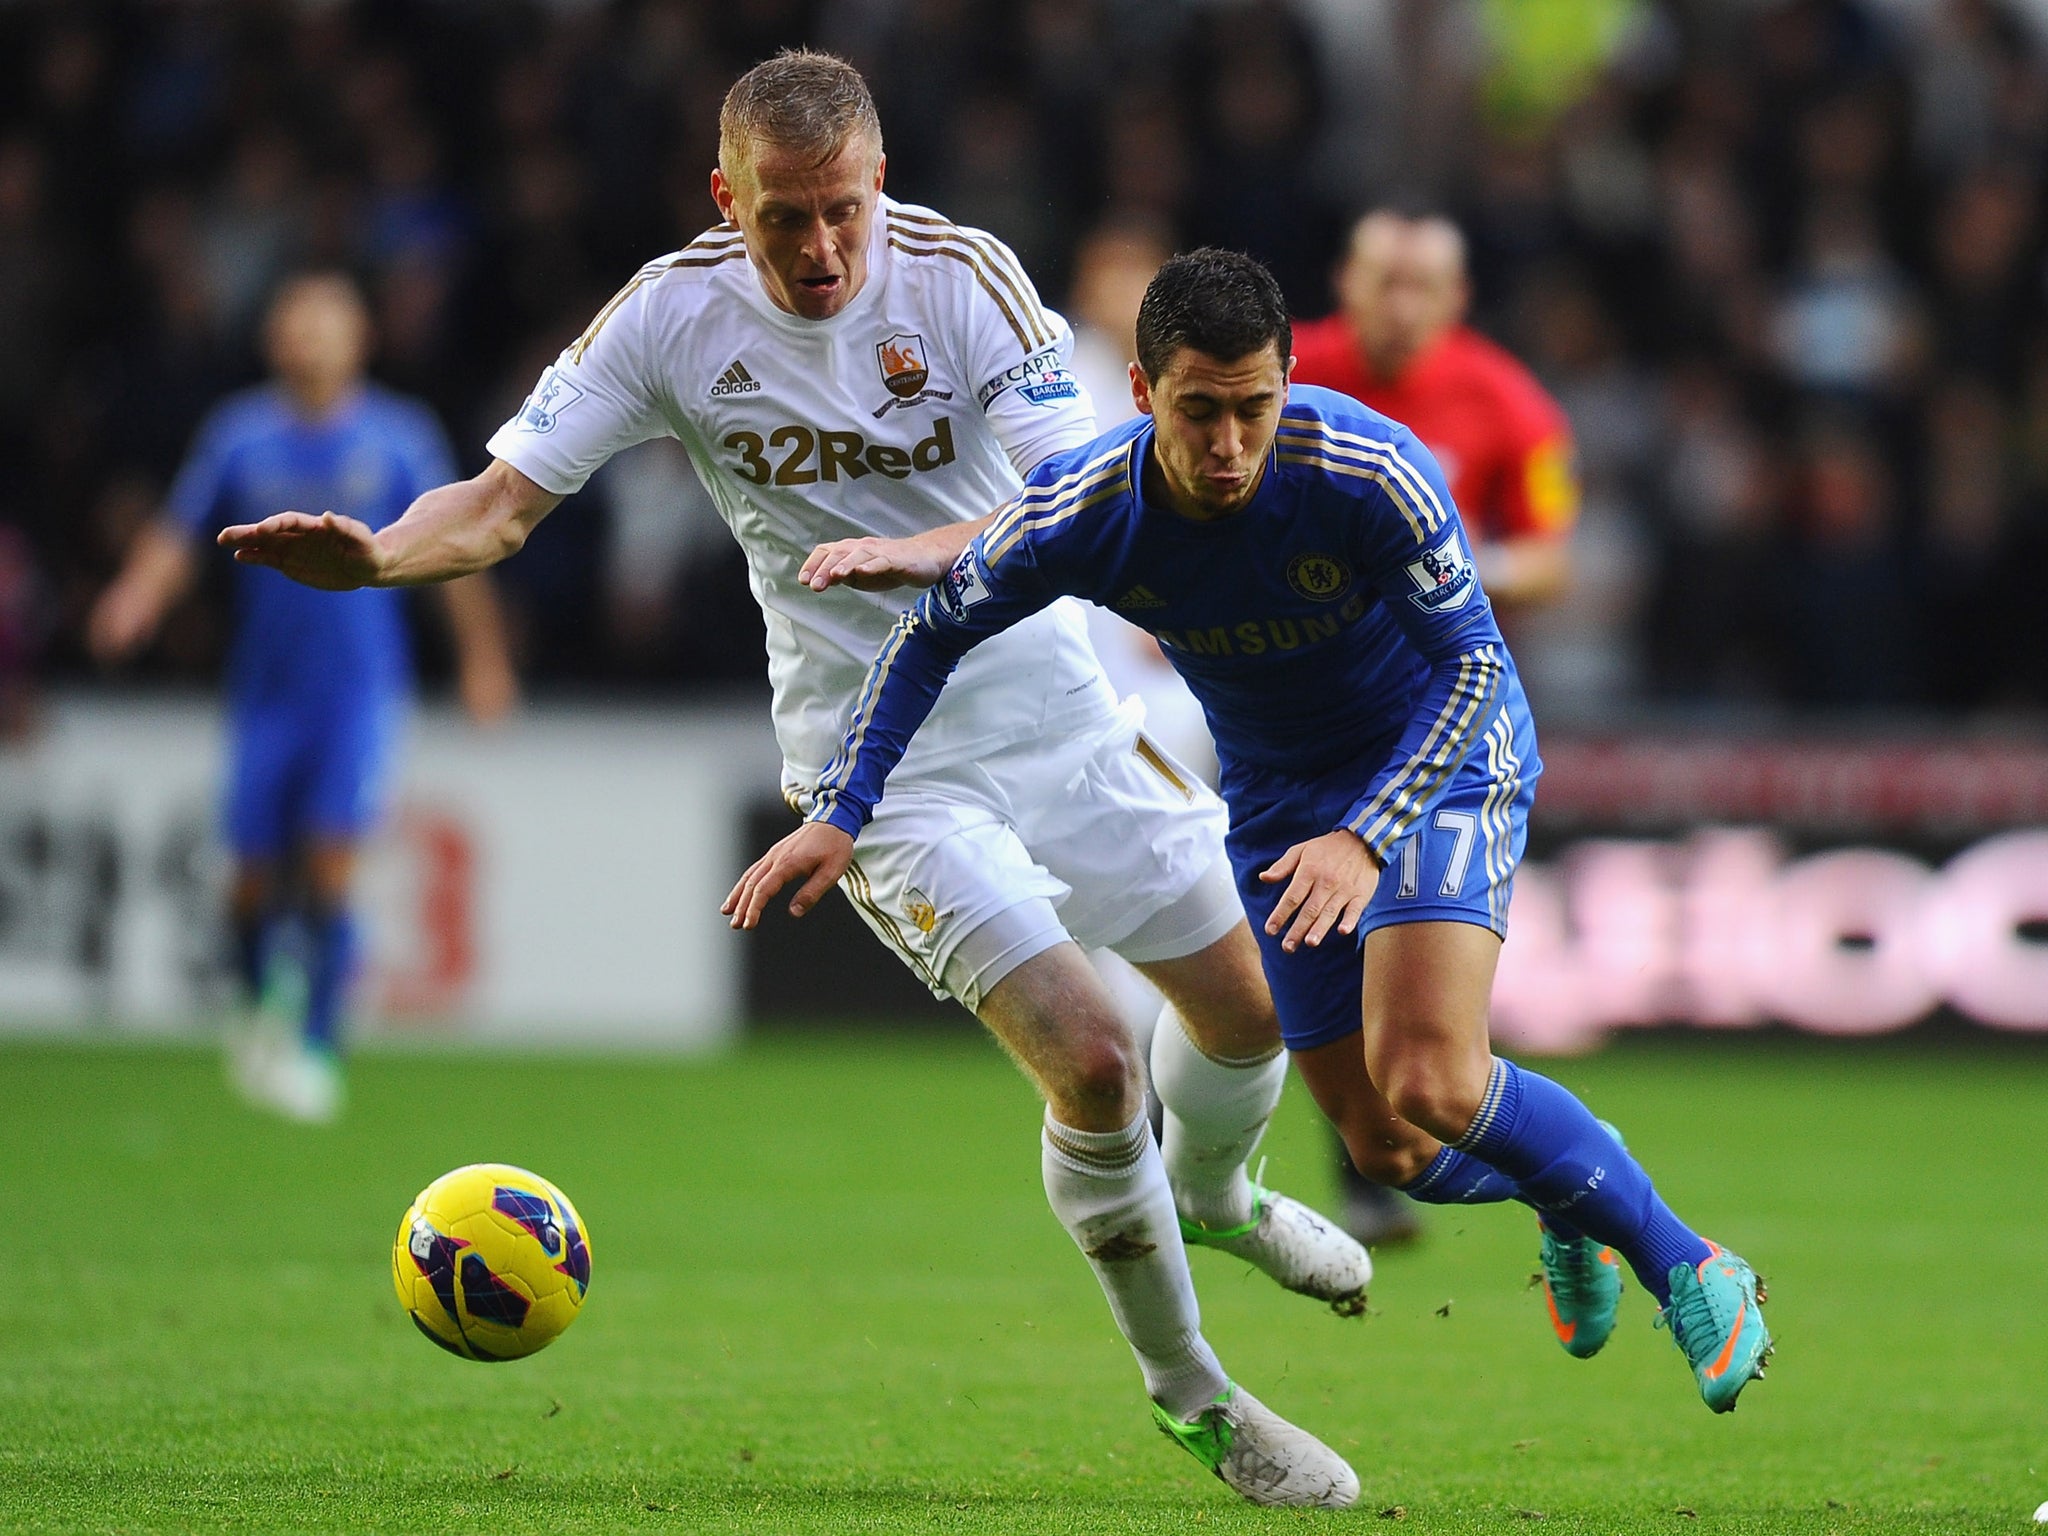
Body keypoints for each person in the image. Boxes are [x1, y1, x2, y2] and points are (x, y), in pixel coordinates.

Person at [216, 53, 1365, 1509]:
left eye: (841, 212)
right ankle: (1196, 1395)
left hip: (1055, 710)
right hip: (877, 767)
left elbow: (1079, 497)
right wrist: (380, 555)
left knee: (1249, 1008)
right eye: (784, 220)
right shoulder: (670, 317)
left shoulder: (963, 282)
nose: (820, 251)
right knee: (1087, 1058)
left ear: (879, 183)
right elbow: (501, 506)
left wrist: (920, 553)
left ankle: (1216, 1196)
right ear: (727, 200)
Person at [732, 249, 1773, 1418]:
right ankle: (1565, 1185)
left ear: (1285, 383)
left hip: (1431, 761)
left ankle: (1688, 1262)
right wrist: (844, 810)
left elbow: (1474, 664)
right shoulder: (1089, 510)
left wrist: (1368, 834)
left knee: (1429, 1074)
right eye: (1198, 412)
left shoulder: (1367, 471)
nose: (1230, 445)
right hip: (1280, 804)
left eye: (1253, 409)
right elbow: (931, 633)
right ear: (1139, 392)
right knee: (1386, 1152)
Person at [89, 271, 516, 1123]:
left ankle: (318, 1047)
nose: (309, 339)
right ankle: (258, 1009)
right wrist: (135, 596)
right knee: (247, 883)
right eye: (296, 323)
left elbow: (453, 551)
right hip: (264, 696)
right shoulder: (239, 436)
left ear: (359, 340)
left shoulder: (398, 437)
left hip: (357, 698)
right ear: (274, 339)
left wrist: (482, 658)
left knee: (330, 868)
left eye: (328, 323)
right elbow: (180, 536)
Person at [1291, 207, 1581, 1247]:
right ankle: (1358, 1158)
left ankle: (1499, 1167)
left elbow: (1549, 557)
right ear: (1345, 281)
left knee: (1412, 955)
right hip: (1299, 706)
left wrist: (1437, 560)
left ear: (1456, 301)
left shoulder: (1505, 401)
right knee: (1288, 926)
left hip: (1439, 716)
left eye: (1422, 285)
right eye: (1383, 280)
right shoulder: (1284, 376)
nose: (1400, 303)